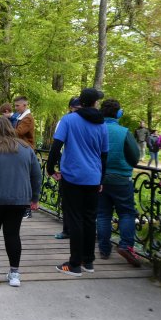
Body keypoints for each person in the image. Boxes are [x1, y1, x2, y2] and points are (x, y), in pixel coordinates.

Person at [46, 88, 108, 277]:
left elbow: (56, 146)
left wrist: (50, 169)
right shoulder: (102, 123)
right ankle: (88, 261)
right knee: (90, 219)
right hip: (93, 177)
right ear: (95, 103)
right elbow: (104, 154)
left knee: (75, 219)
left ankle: (74, 265)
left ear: (80, 101)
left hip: (72, 176)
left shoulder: (69, 120)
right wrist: (101, 179)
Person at [0, 117, 42, 287]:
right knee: (13, 234)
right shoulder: (26, 149)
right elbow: (36, 176)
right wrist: (35, 198)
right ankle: (14, 274)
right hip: (19, 199)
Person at [96, 99, 141, 267]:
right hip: (121, 179)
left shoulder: (97, 130)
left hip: (99, 179)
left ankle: (104, 249)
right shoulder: (124, 132)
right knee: (127, 213)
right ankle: (126, 246)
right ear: (118, 113)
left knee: (102, 214)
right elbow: (135, 157)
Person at [54, 97, 82, 240]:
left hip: (78, 167)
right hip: (69, 166)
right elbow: (58, 143)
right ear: (71, 107)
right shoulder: (65, 121)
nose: (78, 110)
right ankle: (67, 229)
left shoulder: (90, 121)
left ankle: (75, 231)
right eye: (76, 107)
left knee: (76, 202)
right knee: (67, 201)